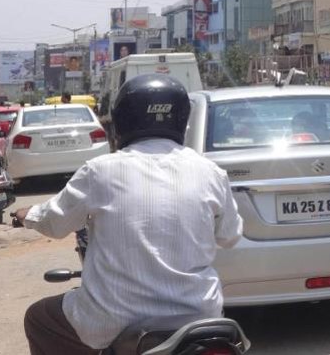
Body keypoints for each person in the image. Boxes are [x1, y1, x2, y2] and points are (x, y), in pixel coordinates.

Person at [14, 74, 243, 354]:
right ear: (182, 119)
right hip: (198, 315)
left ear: (122, 120)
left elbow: (55, 222)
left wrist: (28, 215)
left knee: (39, 317)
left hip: (114, 320)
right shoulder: (210, 172)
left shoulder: (100, 170)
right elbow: (230, 236)